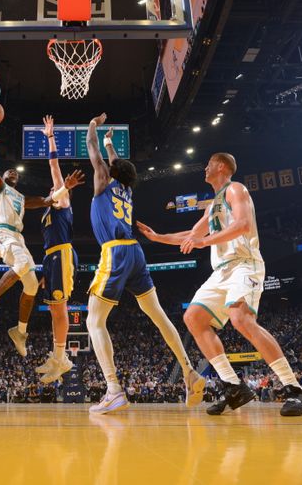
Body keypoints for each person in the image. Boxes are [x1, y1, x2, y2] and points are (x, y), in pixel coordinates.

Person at [138, 153, 302, 417]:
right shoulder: (213, 205)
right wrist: (158, 237)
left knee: (240, 319)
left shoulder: (236, 189)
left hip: (245, 263)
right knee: (194, 317)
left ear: (221, 166)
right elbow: (193, 235)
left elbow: (243, 225)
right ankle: (234, 386)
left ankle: (295, 389)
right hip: (221, 271)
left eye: (208, 164)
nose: (205, 168)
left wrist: (204, 242)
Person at [83, 112, 204, 414]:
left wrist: (94, 126)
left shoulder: (102, 181)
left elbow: (91, 148)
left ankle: (113, 389)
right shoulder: (126, 188)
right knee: (157, 314)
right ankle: (189, 371)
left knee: (94, 321)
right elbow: (116, 163)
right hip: (137, 252)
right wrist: (111, 144)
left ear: (110, 171)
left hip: (115, 251)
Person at [0, 105, 85, 360]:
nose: (12, 171)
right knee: (25, 263)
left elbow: (48, 200)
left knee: (33, 284)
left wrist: (63, 189)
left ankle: (20, 331)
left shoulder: (23, 198)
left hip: (18, 238)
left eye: (15, 171)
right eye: (8, 170)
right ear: (2, 177)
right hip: (2, 233)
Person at [34, 115, 79, 384]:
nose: (54, 187)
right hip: (51, 258)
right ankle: (58, 356)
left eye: (58, 187)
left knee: (60, 309)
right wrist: (43, 272)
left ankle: (61, 358)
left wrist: (50, 137)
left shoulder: (61, 202)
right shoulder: (49, 209)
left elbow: (53, 167)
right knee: (53, 309)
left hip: (61, 255)